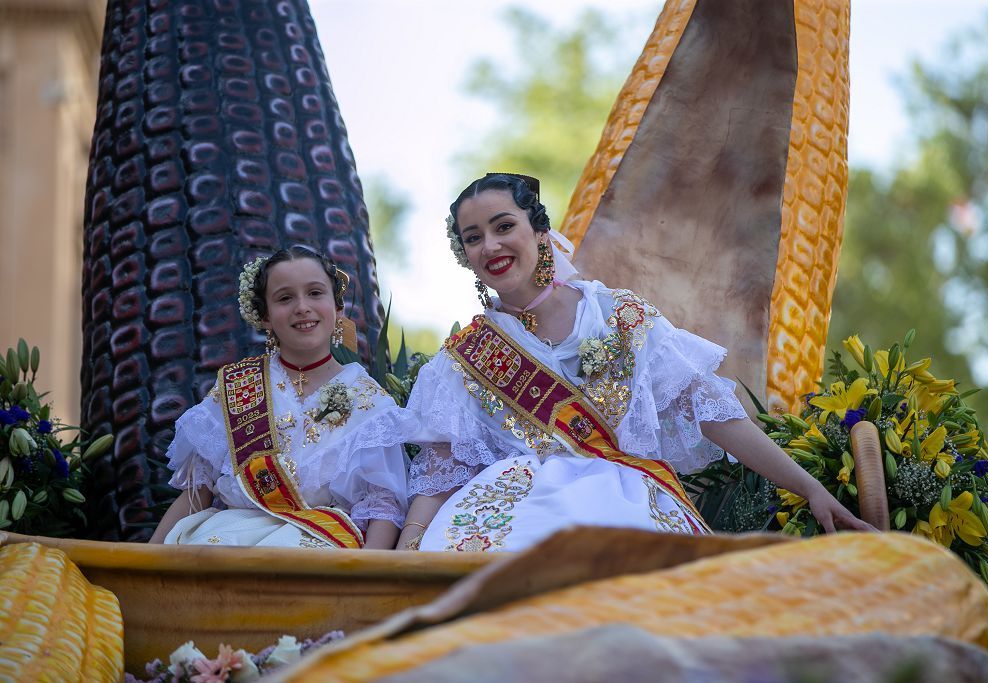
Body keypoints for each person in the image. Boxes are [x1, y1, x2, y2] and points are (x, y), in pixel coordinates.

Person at [397, 173, 872, 552]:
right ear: (465, 256)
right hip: (516, 514)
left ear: (540, 231)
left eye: (505, 226)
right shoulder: (462, 360)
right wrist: (393, 571)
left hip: (624, 502)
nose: (491, 246)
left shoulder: (617, 316)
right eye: (473, 237)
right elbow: (440, 478)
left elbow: (714, 414)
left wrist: (810, 489)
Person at [150, 246, 413, 549]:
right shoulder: (238, 388)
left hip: (319, 554)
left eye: (315, 293)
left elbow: (383, 508)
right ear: (265, 316)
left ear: (337, 307)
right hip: (227, 545)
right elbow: (197, 494)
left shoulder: (370, 401)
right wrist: (139, 567)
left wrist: (367, 586)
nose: (302, 307)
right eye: (285, 298)